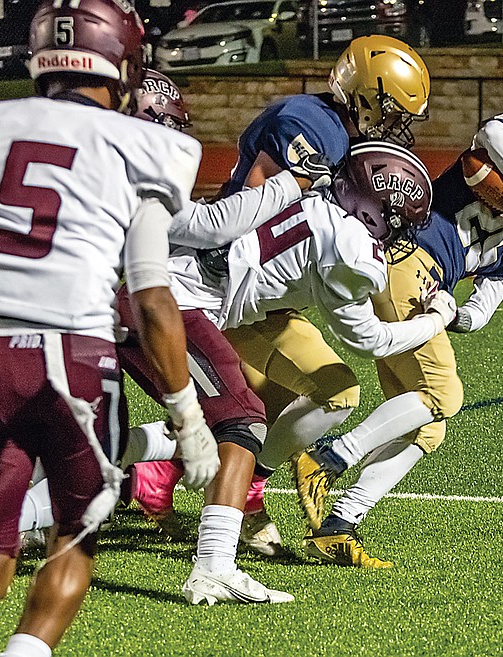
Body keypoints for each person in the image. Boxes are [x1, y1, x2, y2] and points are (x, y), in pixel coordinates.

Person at [0, 1, 221, 656]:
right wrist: (187, 417)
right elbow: (151, 300)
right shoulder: (139, 146)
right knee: (74, 535)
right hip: (74, 354)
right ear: (120, 60)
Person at [128, 34, 434, 557]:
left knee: (272, 403)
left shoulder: (331, 129)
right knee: (266, 407)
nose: (394, 124)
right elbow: (248, 210)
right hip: (217, 283)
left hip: (253, 293)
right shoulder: (316, 127)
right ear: (363, 92)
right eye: (390, 108)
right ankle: (222, 500)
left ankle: (169, 474)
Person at [130, 140, 454, 604]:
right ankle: (211, 558)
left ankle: (42, 503)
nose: (398, 235)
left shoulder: (315, 192)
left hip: (177, 285)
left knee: (223, 421)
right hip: (180, 306)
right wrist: (435, 318)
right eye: (397, 222)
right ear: (375, 209)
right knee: (238, 425)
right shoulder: (351, 249)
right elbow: (369, 340)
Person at [293, 113, 503, 567]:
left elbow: (482, 308)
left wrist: (452, 313)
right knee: (445, 393)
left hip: (426, 288)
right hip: (407, 255)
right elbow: (493, 132)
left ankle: (339, 525)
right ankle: (329, 458)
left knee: (428, 426)